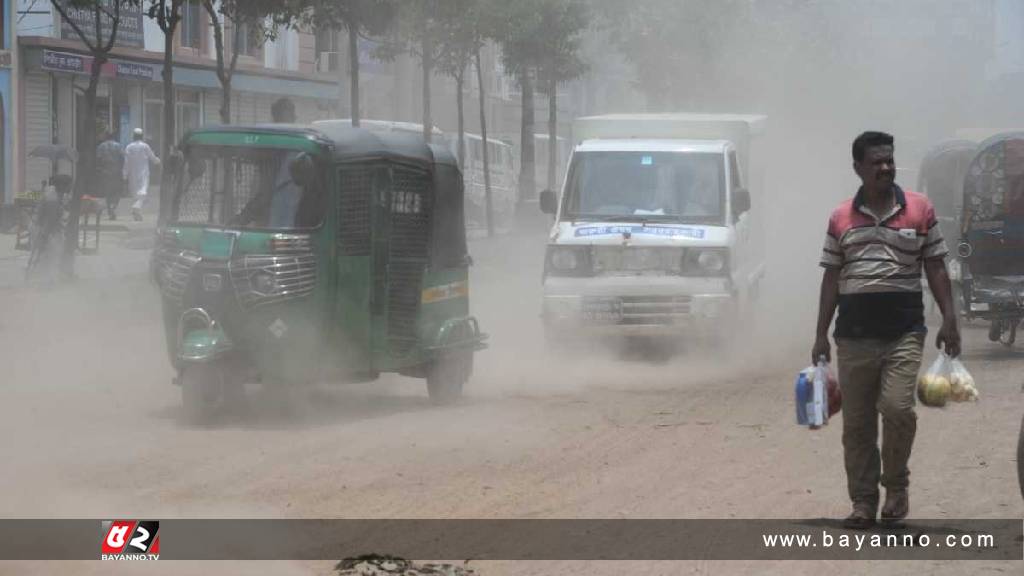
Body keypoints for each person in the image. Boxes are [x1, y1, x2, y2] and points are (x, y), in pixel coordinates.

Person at [812, 131, 961, 529]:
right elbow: (832, 277)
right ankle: (863, 502)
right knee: (857, 426)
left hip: (904, 333)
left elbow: (935, 266)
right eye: (876, 161)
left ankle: (896, 486)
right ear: (858, 168)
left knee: (897, 410)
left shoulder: (920, 209)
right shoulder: (840, 217)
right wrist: (820, 335)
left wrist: (949, 318)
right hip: (854, 337)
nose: (885, 167)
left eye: (889, 160)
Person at [123, 128, 161, 221]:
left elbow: (126, 162)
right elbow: (152, 157)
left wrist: (124, 174)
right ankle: (136, 208)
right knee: (143, 193)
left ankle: (137, 213)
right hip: (143, 173)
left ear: (133, 136)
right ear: (142, 136)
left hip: (132, 173)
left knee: (136, 194)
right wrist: (158, 161)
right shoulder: (145, 146)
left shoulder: (129, 147)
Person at [95, 131, 124, 220]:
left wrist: (99, 169)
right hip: (116, 171)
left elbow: (98, 159)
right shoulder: (118, 146)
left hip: (105, 172)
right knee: (117, 190)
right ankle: (113, 207)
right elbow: (122, 158)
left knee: (108, 191)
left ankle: (109, 209)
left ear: (106, 137)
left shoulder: (101, 146)